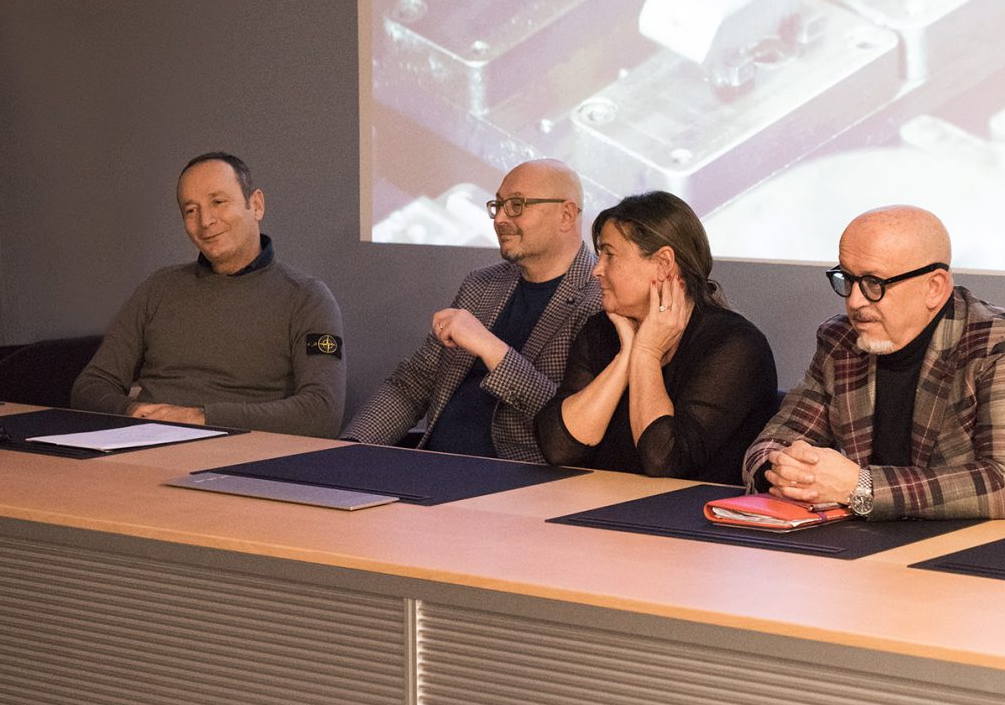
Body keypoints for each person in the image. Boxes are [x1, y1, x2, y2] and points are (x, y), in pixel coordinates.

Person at [744, 205, 1005, 521]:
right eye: (847, 279)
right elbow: (771, 444)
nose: (855, 301)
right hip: (880, 539)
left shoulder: (1002, 342)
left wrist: (860, 487)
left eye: (874, 284)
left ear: (934, 287)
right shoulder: (840, 340)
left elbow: (1004, 484)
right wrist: (786, 473)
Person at [71, 152, 344, 435]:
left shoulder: (306, 298)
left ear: (256, 205)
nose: (205, 221)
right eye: (191, 210)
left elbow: (322, 413)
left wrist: (202, 417)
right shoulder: (159, 288)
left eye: (218, 202)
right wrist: (129, 410)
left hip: (243, 451)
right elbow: (90, 386)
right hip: (141, 442)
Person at [344, 159, 602, 460]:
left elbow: (573, 424)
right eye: (498, 205)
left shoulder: (600, 299)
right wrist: (349, 449)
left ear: (566, 215)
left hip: (520, 478)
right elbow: (412, 385)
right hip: (432, 466)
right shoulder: (481, 285)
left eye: (516, 205)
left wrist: (491, 349)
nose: (500, 219)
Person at [536, 192, 776, 483]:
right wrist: (627, 355)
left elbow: (664, 461)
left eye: (610, 255)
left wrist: (647, 353)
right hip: (602, 502)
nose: (597, 270)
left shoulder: (735, 345)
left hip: (693, 508)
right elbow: (558, 449)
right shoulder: (601, 330)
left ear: (663, 264)